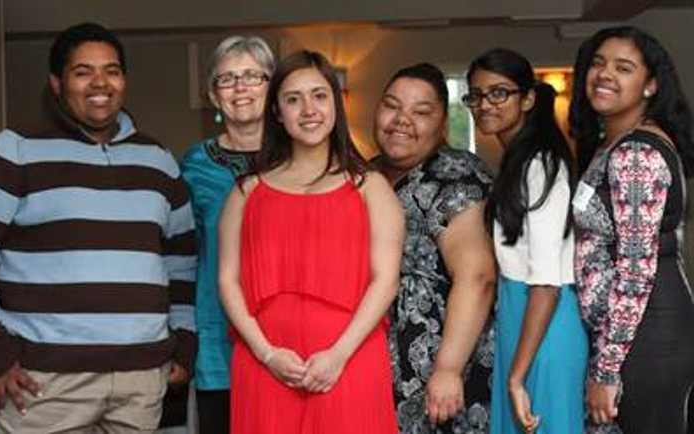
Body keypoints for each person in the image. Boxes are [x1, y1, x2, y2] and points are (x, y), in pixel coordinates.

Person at [0, 22, 197, 433]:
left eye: (112, 70)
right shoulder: (14, 151)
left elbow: (181, 260)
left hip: (140, 383)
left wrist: (184, 345)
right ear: (56, 84)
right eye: (83, 71)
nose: (101, 82)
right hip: (44, 385)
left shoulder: (158, 161)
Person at [218, 50, 404, 434]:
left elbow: (385, 281)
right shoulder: (246, 192)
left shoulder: (370, 187)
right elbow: (227, 280)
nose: (309, 109)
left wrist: (338, 355)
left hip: (348, 359)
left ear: (335, 104)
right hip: (265, 362)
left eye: (320, 96)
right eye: (293, 99)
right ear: (277, 113)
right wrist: (266, 353)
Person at [570, 26, 694, 434]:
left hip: (646, 338)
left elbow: (637, 269)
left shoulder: (636, 153)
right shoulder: (612, 144)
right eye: (598, 63)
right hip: (628, 338)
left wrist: (606, 371)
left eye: (623, 68)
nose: (604, 74)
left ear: (650, 85)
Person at [464, 48, 588, 434]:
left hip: (545, 322)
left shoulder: (542, 163)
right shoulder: (517, 160)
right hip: (519, 315)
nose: (485, 104)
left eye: (499, 93)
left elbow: (548, 282)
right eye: (476, 95)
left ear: (528, 98)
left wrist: (516, 377)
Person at [373, 62, 496, 434]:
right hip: (377, 366)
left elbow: (477, 277)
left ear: (442, 124)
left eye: (421, 112)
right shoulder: (365, 173)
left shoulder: (455, 174)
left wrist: (448, 368)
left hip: (443, 368)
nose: (402, 120)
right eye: (392, 105)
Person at [180, 34, 274, 434]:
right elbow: (184, 256)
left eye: (253, 76)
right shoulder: (194, 165)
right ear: (213, 97)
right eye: (227, 79)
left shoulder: (302, 156)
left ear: (274, 88)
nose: (240, 87)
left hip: (290, 336)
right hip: (219, 342)